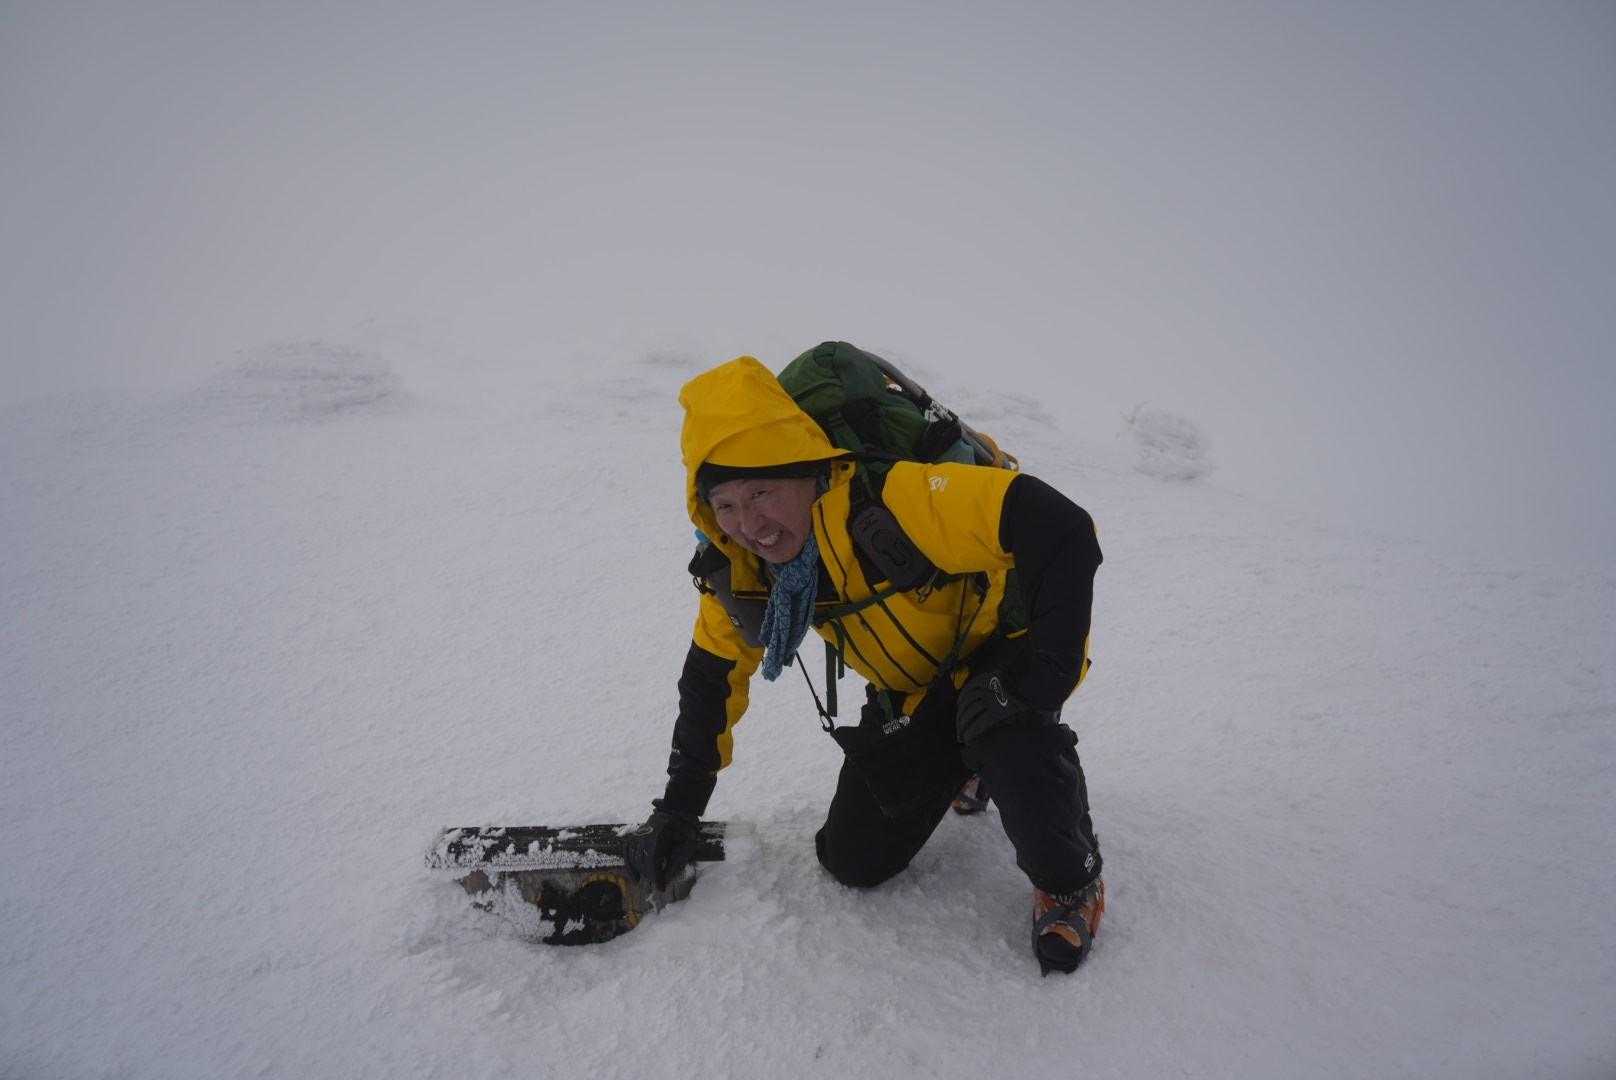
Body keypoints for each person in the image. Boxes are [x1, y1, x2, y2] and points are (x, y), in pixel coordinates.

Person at [624, 353, 1106, 974]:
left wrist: (1041, 681)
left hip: (1004, 652)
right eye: (726, 505)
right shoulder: (743, 573)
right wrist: (679, 809)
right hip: (912, 689)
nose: (750, 525)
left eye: (763, 492)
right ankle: (966, 760)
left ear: (807, 470)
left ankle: (1070, 881)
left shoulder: (893, 501)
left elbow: (1061, 527)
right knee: (851, 859)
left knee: (1004, 732)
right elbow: (711, 681)